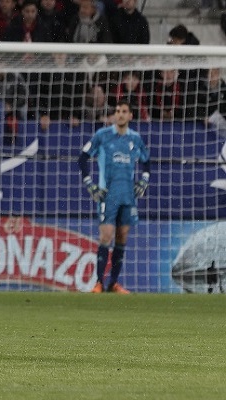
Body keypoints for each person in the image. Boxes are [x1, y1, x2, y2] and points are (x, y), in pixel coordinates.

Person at [77, 100, 150, 294]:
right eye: (117, 111)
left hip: (127, 195)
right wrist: (89, 184)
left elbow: (146, 161)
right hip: (107, 195)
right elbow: (83, 157)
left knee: (122, 237)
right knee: (106, 235)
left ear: (130, 116)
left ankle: (113, 283)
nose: (120, 114)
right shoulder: (102, 135)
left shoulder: (135, 138)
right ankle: (99, 282)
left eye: (124, 111)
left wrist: (144, 180)